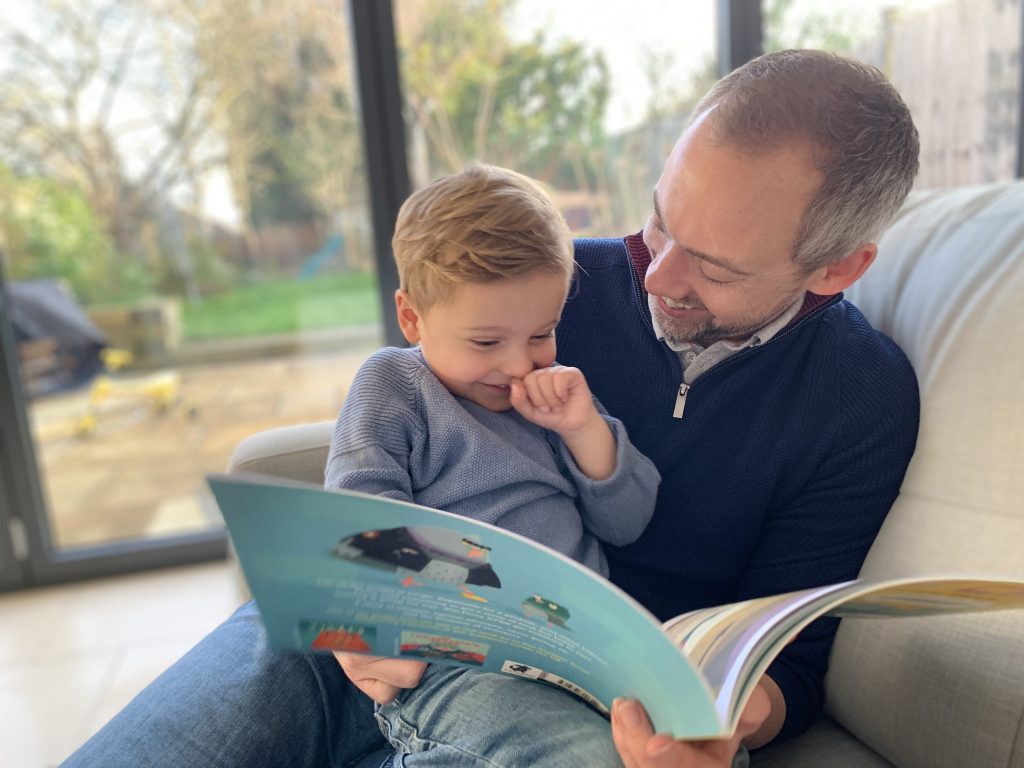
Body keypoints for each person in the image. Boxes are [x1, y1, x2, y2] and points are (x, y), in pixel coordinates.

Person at [62, 49, 921, 768]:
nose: (654, 277)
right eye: (661, 223)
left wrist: (737, 715)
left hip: (572, 694)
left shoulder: (862, 400)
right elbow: (401, 409)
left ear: (836, 269)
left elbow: (793, 654)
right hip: (372, 642)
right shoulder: (548, 286)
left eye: (714, 266)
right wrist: (354, 610)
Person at [326, 164, 660, 766]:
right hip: (463, 669)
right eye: (486, 342)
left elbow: (628, 523)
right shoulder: (393, 385)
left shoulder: (554, 399)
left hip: (586, 654)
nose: (516, 366)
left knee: (689, 750)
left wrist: (584, 430)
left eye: (542, 333)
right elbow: (357, 530)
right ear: (412, 319)